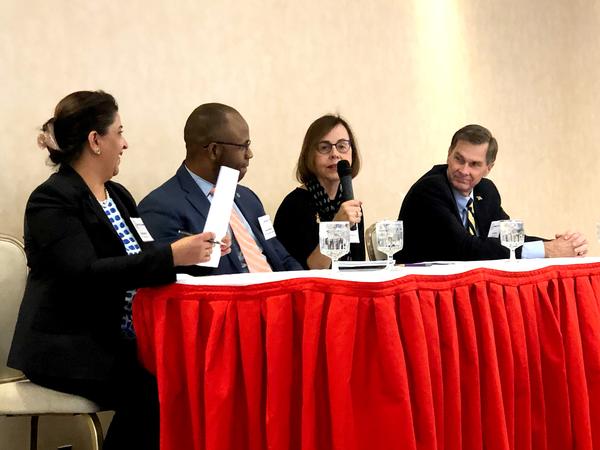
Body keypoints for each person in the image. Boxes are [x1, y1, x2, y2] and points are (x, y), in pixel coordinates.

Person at [7, 91, 229, 450]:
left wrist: (195, 252)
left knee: (186, 374)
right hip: (68, 345)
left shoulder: (119, 196)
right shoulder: (52, 200)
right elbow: (87, 273)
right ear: (96, 141)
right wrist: (172, 256)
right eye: (119, 132)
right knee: (152, 388)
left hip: (118, 340)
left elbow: (141, 257)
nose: (125, 144)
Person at [138, 103, 302, 275]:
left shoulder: (248, 198)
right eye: (243, 146)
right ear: (214, 150)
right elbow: (164, 277)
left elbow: (281, 257)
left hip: (277, 295)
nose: (249, 154)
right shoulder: (160, 206)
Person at [395, 124, 588, 263]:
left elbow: (510, 239)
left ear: (489, 167)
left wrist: (558, 245)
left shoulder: (486, 192)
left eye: (474, 164)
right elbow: (465, 248)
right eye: (459, 159)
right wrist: (547, 250)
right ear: (449, 154)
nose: (463, 170)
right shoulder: (430, 190)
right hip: (424, 294)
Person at [274, 115, 365, 269]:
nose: (335, 154)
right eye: (324, 147)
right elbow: (313, 269)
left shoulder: (350, 205)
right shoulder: (295, 205)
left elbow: (358, 266)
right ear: (310, 155)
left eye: (342, 146)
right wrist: (338, 226)